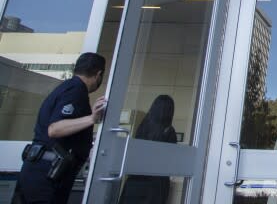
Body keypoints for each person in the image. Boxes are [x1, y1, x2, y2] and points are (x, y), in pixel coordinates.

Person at [18, 52, 107, 204]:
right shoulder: (76, 90)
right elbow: (55, 129)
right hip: (47, 175)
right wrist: (92, 118)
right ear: (99, 74)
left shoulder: (67, 87)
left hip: (39, 172)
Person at [118, 95, 177, 204]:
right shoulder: (169, 131)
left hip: (135, 180)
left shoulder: (143, 125)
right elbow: (171, 160)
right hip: (157, 183)